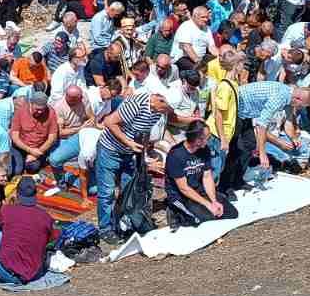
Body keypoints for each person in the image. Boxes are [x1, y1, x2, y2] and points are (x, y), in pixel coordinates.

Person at [93, 90, 168, 243]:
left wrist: (144, 155)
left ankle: (123, 223)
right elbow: (109, 122)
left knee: (129, 191)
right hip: (110, 150)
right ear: (155, 100)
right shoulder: (137, 103)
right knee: (107, 192)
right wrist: (128, 143)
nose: (163, 113)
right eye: (162, 109)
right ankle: (105, 229)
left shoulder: (159, 110)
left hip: (130, 153)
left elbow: (144, 133)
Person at [0, 179, 58, 285]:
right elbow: (51, 238)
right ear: (35, 194)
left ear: (17, 193)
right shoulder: (45, 217)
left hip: (5, 272)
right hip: (33, 274)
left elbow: (1, 225)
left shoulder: (7, 210)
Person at [164, 123, 238, 227]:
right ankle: (174, 212)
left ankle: (204, 206)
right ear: (197, 139)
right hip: (181, 195)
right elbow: (183, 188)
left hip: (198, 189)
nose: (209, 139)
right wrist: (207, 205)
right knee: (205, 221)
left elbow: (207, 177)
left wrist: (214, 201)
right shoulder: (175, 155)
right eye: (207, 137)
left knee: (231, 213)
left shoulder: (204, 150)